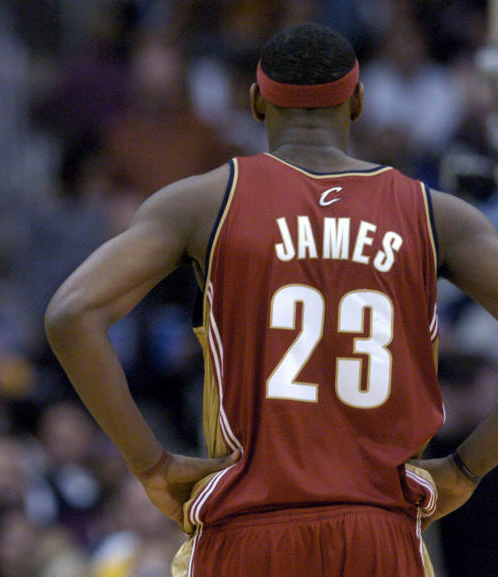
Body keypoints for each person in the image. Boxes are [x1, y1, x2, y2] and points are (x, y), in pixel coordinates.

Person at [45, 23, 496, 577]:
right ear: (357, 100)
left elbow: (71, 314)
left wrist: (150, 464)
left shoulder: (204, 201)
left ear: (257, 102)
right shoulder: (435, 216)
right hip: (380, 526)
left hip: (247, 527)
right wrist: (468, 468)